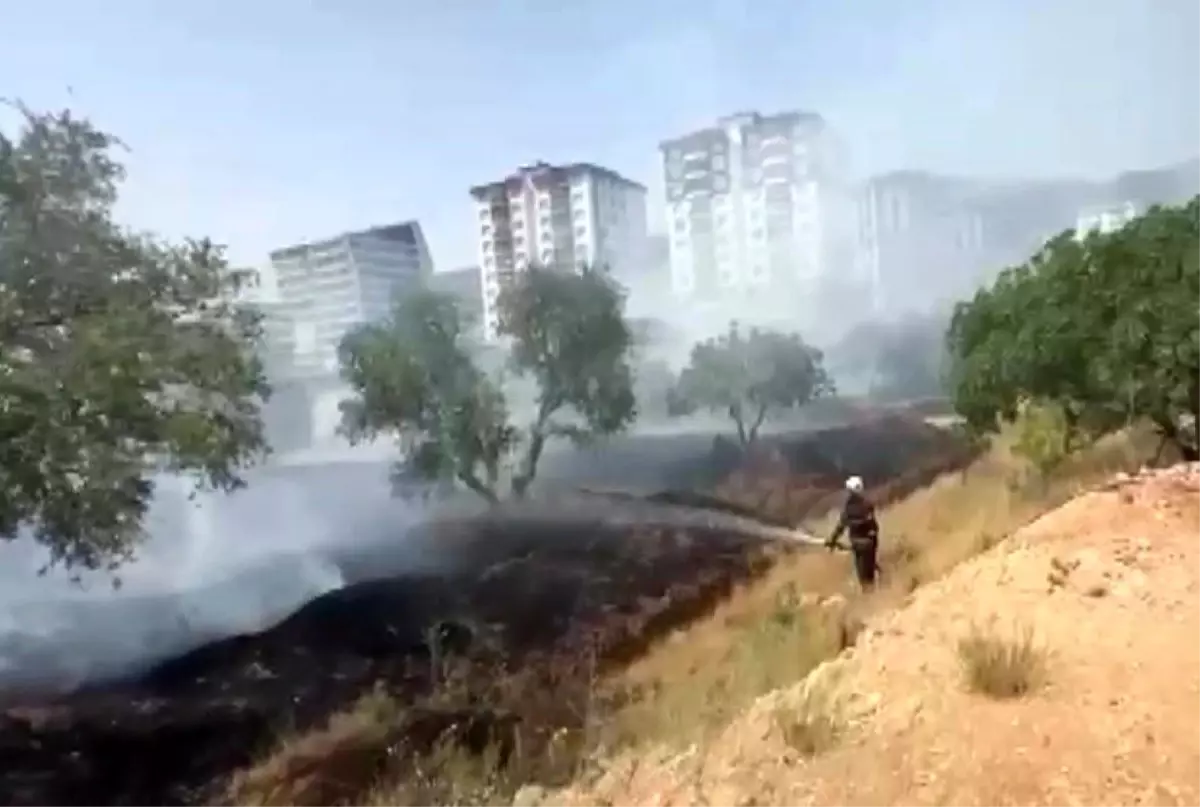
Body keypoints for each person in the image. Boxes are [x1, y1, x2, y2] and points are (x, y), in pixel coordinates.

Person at [826, 475, 880, 590]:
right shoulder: (868, 504)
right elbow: (874, 526)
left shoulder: (849, 507)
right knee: (870, 571)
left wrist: (832, 540)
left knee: (863, 575)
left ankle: (871, 598)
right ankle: (874, 594)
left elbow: (841, 526)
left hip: (858, 545)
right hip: (869, 544)